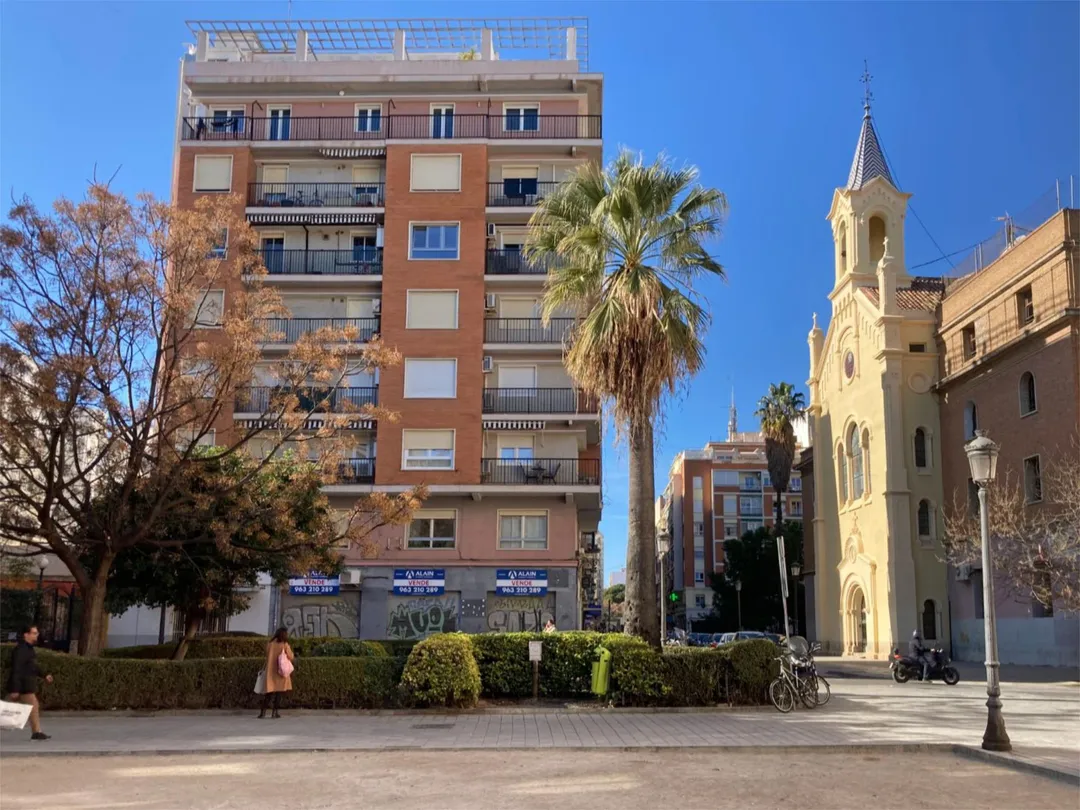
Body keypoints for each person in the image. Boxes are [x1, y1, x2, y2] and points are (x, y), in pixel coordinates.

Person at [5, 625, 53, 740]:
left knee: (33, 706)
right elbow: (17, 669)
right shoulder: (21, 650)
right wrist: (15, 689)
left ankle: (36, 732)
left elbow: (33, 667)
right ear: (26, 634)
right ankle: (36, 732)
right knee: (8, 709)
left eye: (37, 633)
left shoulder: (29, 649)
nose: (37, 635)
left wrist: (44, 675)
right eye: (34, 633)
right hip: (22, 686)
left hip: (25, 685)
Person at [259, 627, 295, 719]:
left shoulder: (270, 644)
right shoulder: (284, 645)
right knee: (278, 693)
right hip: (280, 672)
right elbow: (291, 656)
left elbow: (267, 654)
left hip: (270, 671)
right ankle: (275, 713)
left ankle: (262, 712)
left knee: (269, 693)